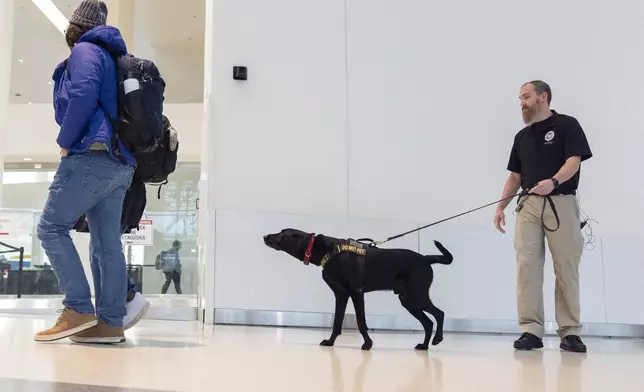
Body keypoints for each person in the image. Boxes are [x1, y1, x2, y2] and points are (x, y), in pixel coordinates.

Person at [34, 0, 136, 344]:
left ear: (74, 27)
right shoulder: (111, 55)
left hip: (91, 154)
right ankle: (111, 322)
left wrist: (66, 140)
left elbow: (82, 93)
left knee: (51, 227)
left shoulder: (86, 49)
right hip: (119, 163)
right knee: (107, 243)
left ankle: (77, 307)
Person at [494, 80, 592, 353]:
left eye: (526, 96)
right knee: (527, 268)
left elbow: (574, 161)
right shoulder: (522, 137)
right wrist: (501, 207)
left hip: (561, 201)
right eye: (520, 98)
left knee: (566, 268)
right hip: (529, 205)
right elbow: (514, 176)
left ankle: (570, 331)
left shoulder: (567, 125)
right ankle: (530, 330)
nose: (521, 102)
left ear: (543, 97)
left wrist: (554, 181)